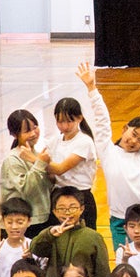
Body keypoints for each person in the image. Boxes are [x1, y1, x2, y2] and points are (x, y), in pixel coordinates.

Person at [81, 63, 140, 249]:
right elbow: (102, 120)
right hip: (120, 219)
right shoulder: (108, 152)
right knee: (123, 261)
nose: (134, 141)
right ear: (125, 129)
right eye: (133, 134)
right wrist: (92, 89)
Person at [28, 186, 112, 277]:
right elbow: (35, 249)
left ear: (81, 209)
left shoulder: (93, 237)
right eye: (62, 208)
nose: (67, 212)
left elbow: (103, 273)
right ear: (55, 211)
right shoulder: (51, 235)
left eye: (72, 208)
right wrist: (49, 234)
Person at [40, 83, 100, 228]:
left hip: (80, 196)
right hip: (58, 197)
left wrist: (33, 159)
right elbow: (45, 162)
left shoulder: (84, 141)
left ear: (79, 118)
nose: (64, 126)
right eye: (60, 121)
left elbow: (60, 169)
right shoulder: (55, 141)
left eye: (69, 121)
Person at [0, 108, 54, 237]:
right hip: (20, 223)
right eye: (27, 131)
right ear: (15, 134)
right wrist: (39, 163)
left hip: (41, 218)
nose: (33, 133)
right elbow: (26, 189)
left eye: (35, 127)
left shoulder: (37, 154)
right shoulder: (12, 160)